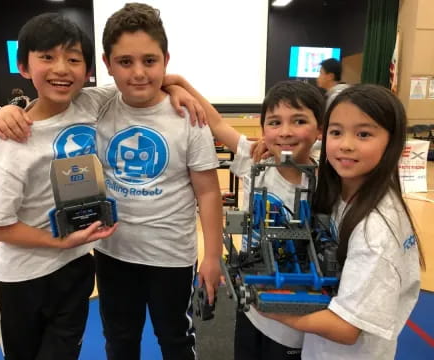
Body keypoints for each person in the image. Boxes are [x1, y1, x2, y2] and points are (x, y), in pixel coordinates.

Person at [0, 13, 120, 359]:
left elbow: (142, 79)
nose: (61, 68)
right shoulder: (11, 141)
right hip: (23, 278)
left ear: (87, 71)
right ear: (24, 67)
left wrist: (179, 87)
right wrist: (57, 241)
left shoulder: (91, 103)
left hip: (76, 267)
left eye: (73, 59)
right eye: (47, 57)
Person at [92, 4, 223, 360]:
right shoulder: (98, 108)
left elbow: (209, 191)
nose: (138, 73)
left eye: (150, 61)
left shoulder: (187, 116)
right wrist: (15, 110)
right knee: (119, 340)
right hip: (112, 252)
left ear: (166, 60)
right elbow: (50, 106)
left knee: (176, 340)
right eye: (125, 62)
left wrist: (213, 255)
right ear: (107, 63)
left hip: (171, 258)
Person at [261, 84, 424, 360]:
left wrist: (266, 306)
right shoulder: (344, 191)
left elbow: (346, 329)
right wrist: (271, 146)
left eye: (363, 134)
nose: (346, 144)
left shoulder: (376, 232)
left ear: (393, 142)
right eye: (336, 132)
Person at [179, 79, 324, 359]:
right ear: (263, 129)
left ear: (319, 129)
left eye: (299, 121)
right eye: (274, 122)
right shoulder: (255, 161)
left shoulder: (327, 177)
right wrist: (180, 84)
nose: (285, 132)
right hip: (253, 307)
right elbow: (217, 123)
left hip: (297, 314)